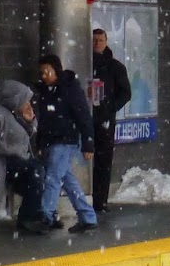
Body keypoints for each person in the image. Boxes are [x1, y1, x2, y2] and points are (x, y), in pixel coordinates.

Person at [0, 80, 49, 236]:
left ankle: (35, 213)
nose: (28, 103)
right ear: (16, 99)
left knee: (39, 169)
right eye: (25, 99)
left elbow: (27, 136)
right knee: (34, 170)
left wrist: (30, 120)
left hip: (12, 162)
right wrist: (5, 149)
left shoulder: (15, 115)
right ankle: (28, 217)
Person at [34, 53, 99, 233]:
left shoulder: (69, 89)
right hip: (54, 141)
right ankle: (88, 216)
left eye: (47, 71)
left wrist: (88, 143)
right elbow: (44, 121)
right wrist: (40, 143)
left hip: (65, 140)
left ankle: (46, 216)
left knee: (53, 178)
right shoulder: (47, 92)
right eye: (42, 73)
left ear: (57, 70)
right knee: (66, 180)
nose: (44, 76)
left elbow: (83, 116)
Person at [91, 27, 132, 212]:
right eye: (94, 40)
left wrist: (110, 107)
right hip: (86, 118)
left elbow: (126, 93)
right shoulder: (85, 62)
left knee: (103, 160)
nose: (97, 43)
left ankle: (100, 200)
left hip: (105, 120)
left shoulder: (115, 67)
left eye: (100, 40)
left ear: (106, 42)